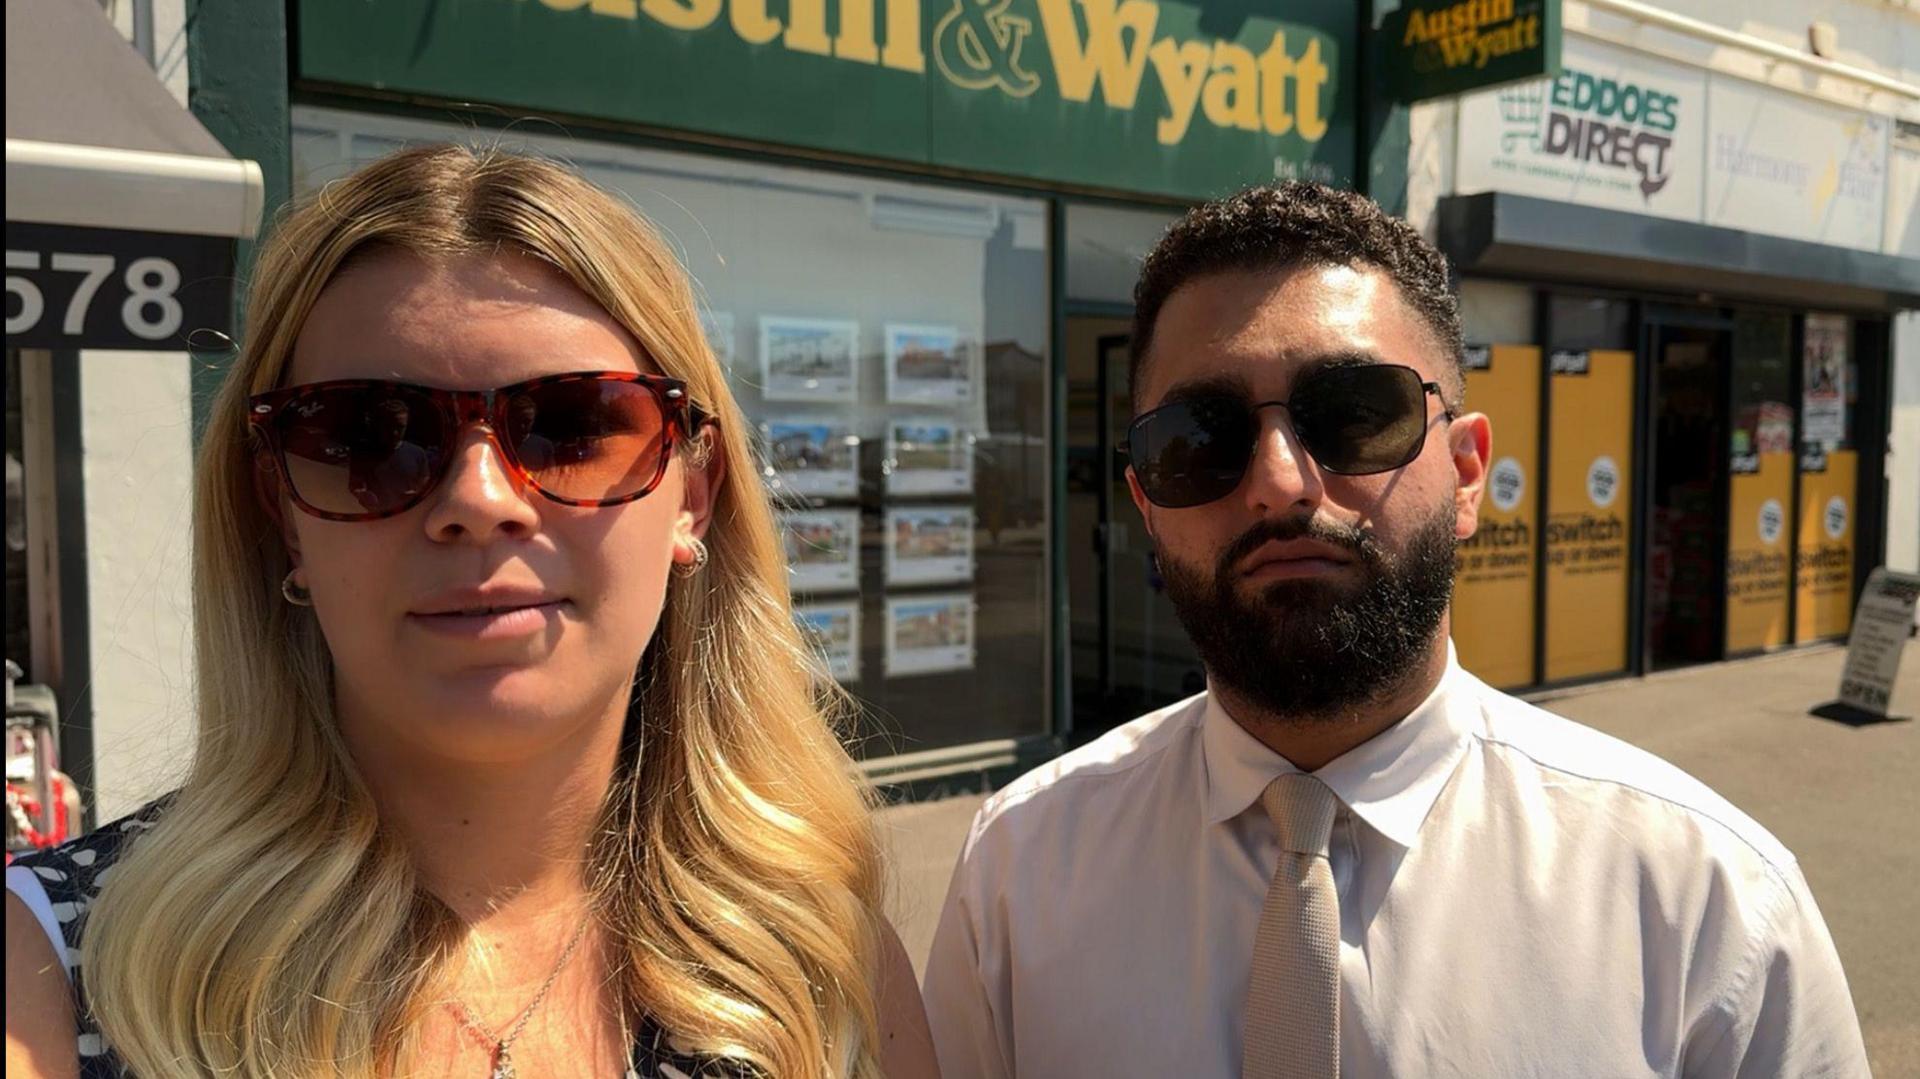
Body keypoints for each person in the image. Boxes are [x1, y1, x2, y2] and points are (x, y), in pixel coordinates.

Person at [5, 144, 939, 1079]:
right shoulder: (51, 975)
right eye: (369, 434)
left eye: (572, 426)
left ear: (692, 495)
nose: (479, 496)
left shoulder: (817, 979)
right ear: (282, 513)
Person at [920, 184, 1868, 1078]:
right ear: (1146, 504)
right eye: (1199, 436)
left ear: (1466, 473)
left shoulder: (1708, 904)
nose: (1282, 481)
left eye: (1353, 413)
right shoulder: (1018, 875)